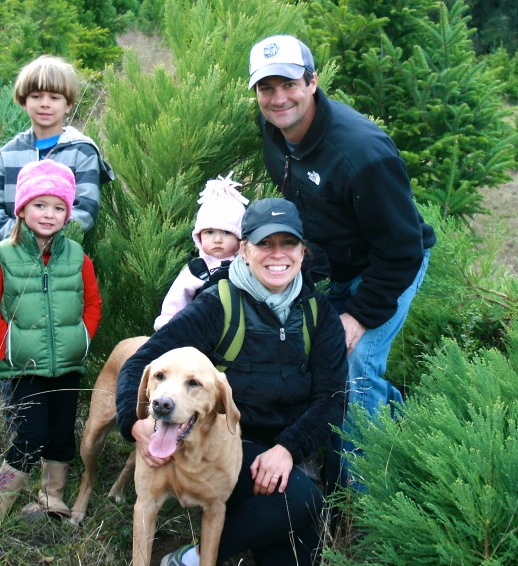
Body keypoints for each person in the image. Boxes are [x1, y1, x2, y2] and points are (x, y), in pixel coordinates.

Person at [116, 198, 347, 566]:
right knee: (301, 501)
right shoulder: (217, 305)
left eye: (288, 243)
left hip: (285, 454)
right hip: (224, 450)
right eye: (264, 243)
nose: (277, 254)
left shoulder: (320, 316)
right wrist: (134, 422)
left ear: (303, 251)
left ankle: (195, 557)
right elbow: (140, 363)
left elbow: (332, 399)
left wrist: (286, 449)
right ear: (244, 249)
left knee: (298, 536)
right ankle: (193, 560)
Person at [248, 35, 436, 479]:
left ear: (312, 82)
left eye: (289, 84)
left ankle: (363, 500)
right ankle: (401, 424)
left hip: (391, 266)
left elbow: (402, 248)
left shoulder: (362, 153)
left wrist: (360, 315)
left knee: (353, 365)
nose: (278, 99)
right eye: (266, 88)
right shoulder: (273, 126)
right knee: (303, 350)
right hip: (336, 265)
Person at [0, 159, 103, 520]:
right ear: (23, 208)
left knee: (61, 433)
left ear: (68, 213)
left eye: (59, 207)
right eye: (40, 205)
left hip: (67, 364)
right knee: (30, 436)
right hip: (23, 367)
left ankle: (53, 500)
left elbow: (92, 302)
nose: (49, 214)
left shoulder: (78, 257)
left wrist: (82, 337)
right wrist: (10, 347)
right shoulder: (2, 257)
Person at [0, 54, 115, 247]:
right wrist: (20, 240)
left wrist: (48, 242)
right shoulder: (7, 155)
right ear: (23, 101)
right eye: (36, 96)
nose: (45, 103)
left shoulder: (83, 152)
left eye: (54, 97)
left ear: (68, 104)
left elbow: (85, 210)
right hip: (10, 261)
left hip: (61, 261)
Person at [153, 173, 249, 331]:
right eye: (209, 232)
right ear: (199, 236)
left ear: (240, 239)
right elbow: (177, 298)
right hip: (200, 330)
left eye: (226, 232)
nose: (217, 239)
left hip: (237, 334)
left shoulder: (246, 267)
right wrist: (169, 322)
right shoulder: (197, 269)